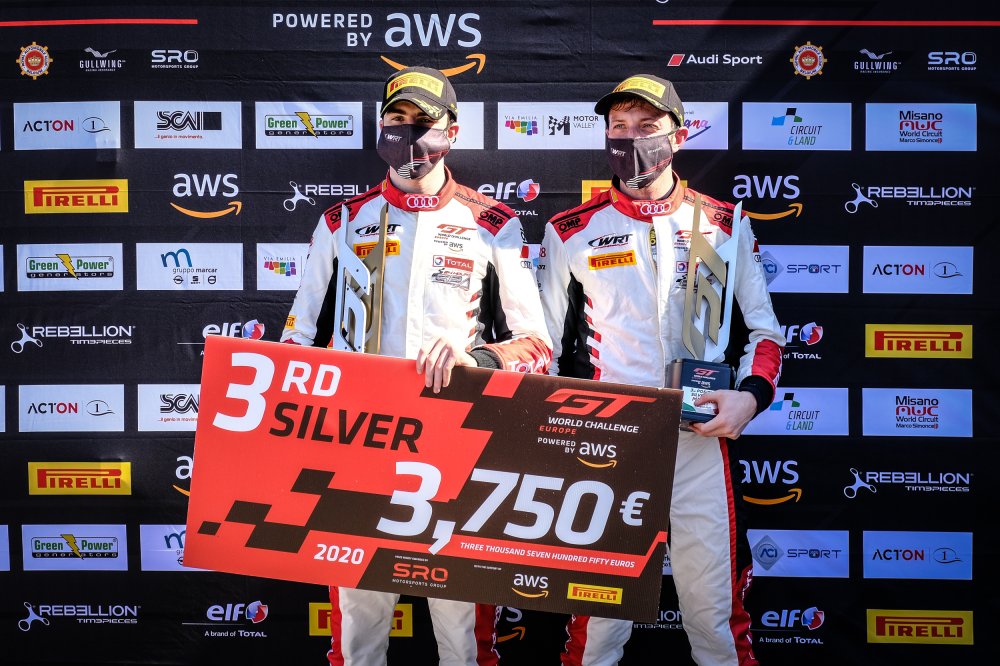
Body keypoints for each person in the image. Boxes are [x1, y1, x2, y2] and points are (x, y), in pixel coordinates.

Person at [281, 66, 552, 665]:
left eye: (423, 122)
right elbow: (296, 341)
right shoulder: (341, 221)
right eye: (396, 119)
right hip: (355, 444)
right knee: (358, 627)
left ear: (451, 132)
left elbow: (537, 346)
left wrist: (475, 357)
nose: (408, 133)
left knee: (461, 631)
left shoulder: (493, 222)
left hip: (455, 443)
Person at [537, 74, 784, 666]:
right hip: (608, 444)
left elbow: (766, 334)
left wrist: (750, 397)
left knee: (715, 621)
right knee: (597, 628)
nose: (632, 139)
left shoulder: (724, 223)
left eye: (647, 127)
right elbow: (542, 346)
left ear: (678, 136)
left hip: (701, 443)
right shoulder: (570, 230)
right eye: (619, 127)